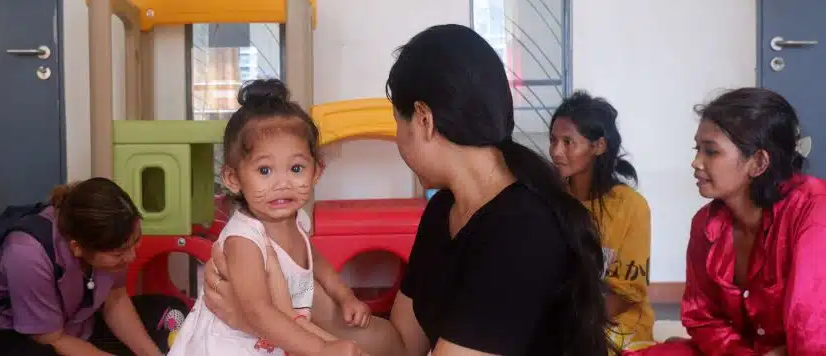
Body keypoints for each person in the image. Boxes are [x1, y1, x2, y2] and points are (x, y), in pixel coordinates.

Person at [200, 24, 613, 356]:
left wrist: (251, 321)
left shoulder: (523, 230)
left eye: (399, 123)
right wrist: (282, 308)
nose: (399, 141)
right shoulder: (443, 212)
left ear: (423, 119)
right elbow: (400, 344)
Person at [168, 79, 370, 356]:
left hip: (275, 340)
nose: (282, 183)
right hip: (229, 347)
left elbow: (314, 258)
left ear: (316, 172)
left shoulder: (299, 220)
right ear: (233, 178)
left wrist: (345, 296)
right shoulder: (244, 239)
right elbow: (257, 311)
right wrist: (322, 348)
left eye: (296, 168)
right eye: (265, 171)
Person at [632, 88, 826, 356]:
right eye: (697, 149)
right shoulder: (706, 224)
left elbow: (812, 332)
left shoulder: (813, 211)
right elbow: (703, 318)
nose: (695, 162)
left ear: (758, 162)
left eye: (711, 152)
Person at [0, 177, 173, 356]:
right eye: (119, 253)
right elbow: (49, 338)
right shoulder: (27, 253)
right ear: (77, 248)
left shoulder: (113, 237)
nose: (132, 256)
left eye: (136, 242)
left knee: (171, 312)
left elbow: (115, 298)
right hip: (23, 338)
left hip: (77, 325)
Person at [548, 91, 655, 351]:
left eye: (568, 142)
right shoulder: (549, 200)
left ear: (598, 146)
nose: (556, 151)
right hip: (561, 318)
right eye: (553, 140)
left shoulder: (631, 207)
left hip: (616, 322)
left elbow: (627, 294)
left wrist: (574, 326)